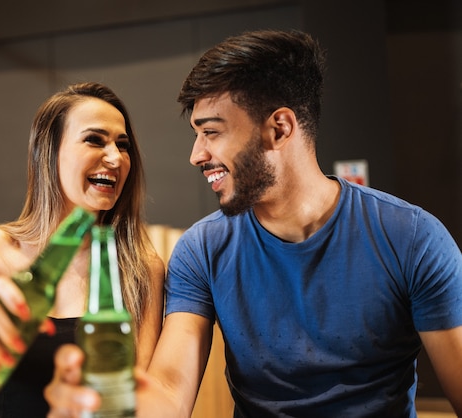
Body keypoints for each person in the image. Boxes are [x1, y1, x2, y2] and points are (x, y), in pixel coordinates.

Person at [45, 30, 462, 417]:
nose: (196, 154)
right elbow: (171, 388)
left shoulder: (413, 239)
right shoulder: (202, 250)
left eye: (211, 132)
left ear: (278, 128)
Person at [0, 82, 165, 417]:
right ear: (50, 152)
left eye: (123, 146)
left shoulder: (141, 267)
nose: (115, 157)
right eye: (95, 140)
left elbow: (139, 402)